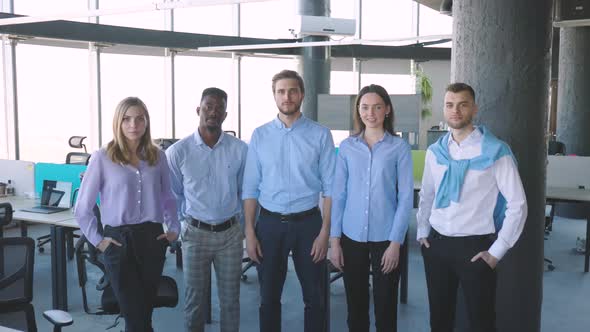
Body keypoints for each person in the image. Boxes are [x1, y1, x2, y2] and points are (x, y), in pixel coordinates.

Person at [416, 83, 528, 332]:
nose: (455, 110)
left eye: (462, 104)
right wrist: (422, 232)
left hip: (476, 248)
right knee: (439, 320)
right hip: (437, 245)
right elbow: (427, 195)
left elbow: (518, 204)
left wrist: (496, 252)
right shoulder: (436, 152)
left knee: (482, 321)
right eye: (449, 105)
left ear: (474, 109)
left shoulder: (495, 151)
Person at [75, 96, 180, 332]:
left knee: (144, 312)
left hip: (152, 239)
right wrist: (98, 241)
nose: (133, 124)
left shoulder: (158, 156)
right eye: (126, 119)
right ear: (118, 123)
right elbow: (83, 207)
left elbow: (168, 198)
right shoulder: (102, 157)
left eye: (139, 119)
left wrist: (174, 229)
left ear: (146, 122)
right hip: (118, 241)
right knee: (135, 316)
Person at [242, 69, 336, 332]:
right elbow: (250, 188)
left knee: (315, 298)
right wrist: (249, 232)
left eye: (292, 90)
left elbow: (331, 189)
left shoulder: (320, 135)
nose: (287, 96)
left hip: (309, 226)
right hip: (269, 225)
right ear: (274, 95)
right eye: (281, 91)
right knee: (268, 298)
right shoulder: (260, 135)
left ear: (302, 94)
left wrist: (324, 233)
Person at [330, 84, 414, 332]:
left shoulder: (399, 148)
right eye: (365, 107)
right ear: (358, 110)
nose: (371, 113)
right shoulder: (346, 147)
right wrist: (335, 242)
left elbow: (406, 197)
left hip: (386, 238)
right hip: (351, 236)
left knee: (386, 307)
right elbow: (339, 194)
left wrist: (395, 243)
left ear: (387, 109)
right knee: (355, 307)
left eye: (377, 107)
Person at [166, 87, 247, 332]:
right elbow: (174, 194)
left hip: (230, 236)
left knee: (231, 302)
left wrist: (242, 228)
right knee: (194, 303)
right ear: (198, 110)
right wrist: (183, 225)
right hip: (195, 234)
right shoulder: (178, 151)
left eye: (219, 108)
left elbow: (245, 193)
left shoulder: (240, 149)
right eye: (208, 106)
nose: (213, 112)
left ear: (225, 114)